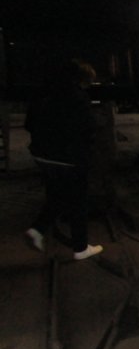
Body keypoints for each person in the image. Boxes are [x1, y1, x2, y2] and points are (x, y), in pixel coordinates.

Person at [24, 59, 104, 260]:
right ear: (83, 79)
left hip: (42, 155)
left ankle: (37, 230)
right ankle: (80, 248)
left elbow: (28, 124)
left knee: (57, 195)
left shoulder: (43, 93)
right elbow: (88, 128)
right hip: (69, 157)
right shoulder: (78, 97)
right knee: (78, 202)